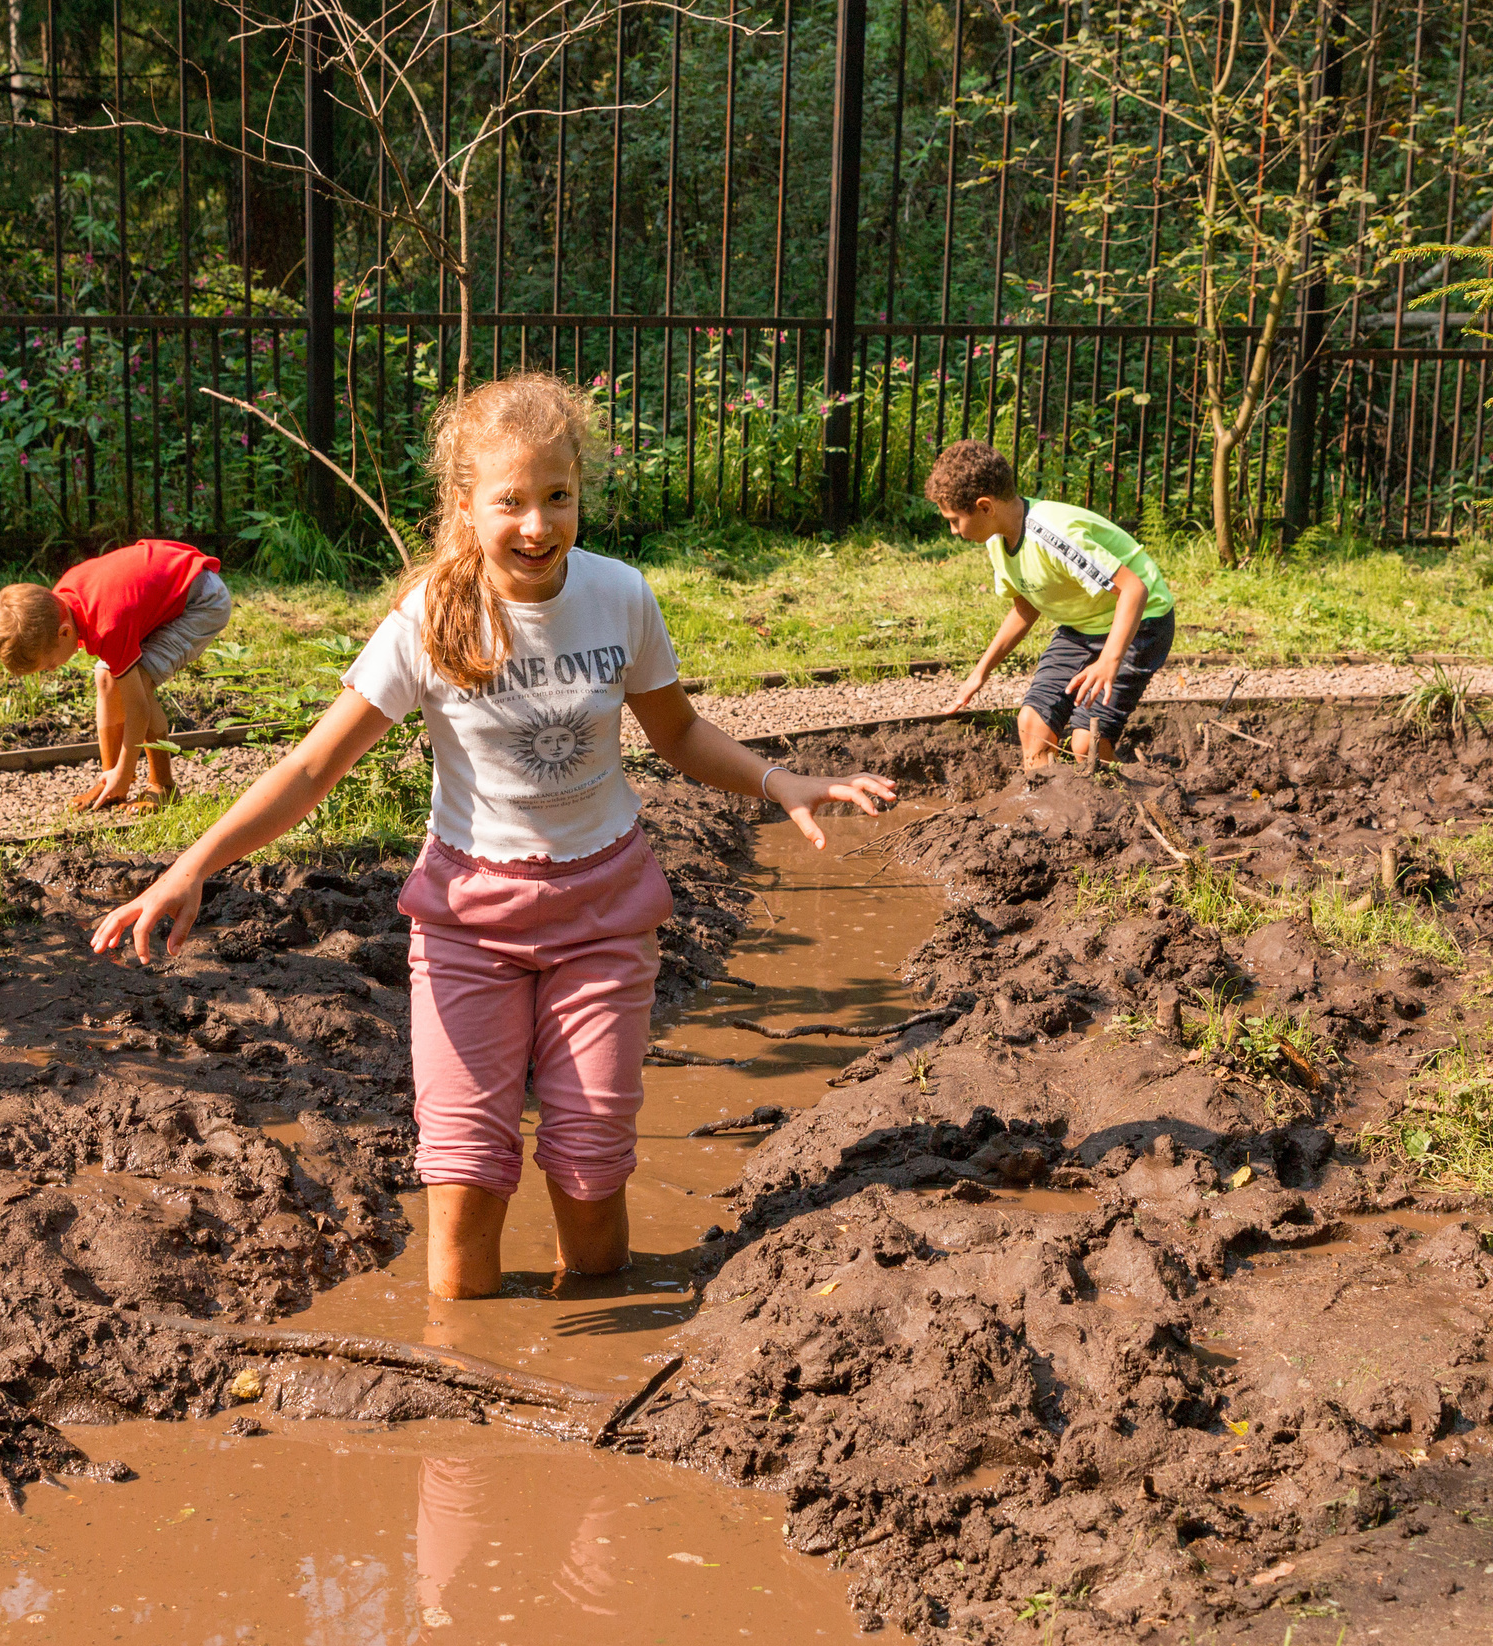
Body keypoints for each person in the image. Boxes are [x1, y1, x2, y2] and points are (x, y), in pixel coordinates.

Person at [91, 372, 895, 1299]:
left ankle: (596, 1336)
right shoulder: (430, 617)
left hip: (604, 912)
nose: (538, 526)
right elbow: (313, 768)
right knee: (466, 1171)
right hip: (470, 921)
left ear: (580, 491)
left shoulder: (621, 596)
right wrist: (190, 865)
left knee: (591, 1167)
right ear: (464, 503)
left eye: (559, 497)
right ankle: (464, 1365)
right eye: (509, 501)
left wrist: (779, 778)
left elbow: (675, 732)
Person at [931, 439, 1178, 770]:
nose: (953, 531)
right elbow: (1026, 606)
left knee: (1086, 742)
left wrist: (1109, 661)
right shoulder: (998, 541)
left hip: (1141, 622)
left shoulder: (1053, 535)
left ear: (986, 507)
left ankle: (1128, 803)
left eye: (954, 520)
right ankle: (1046, 814)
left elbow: (1134, 590)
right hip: (1083, 626)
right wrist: (981, 672)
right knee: (1032, 726)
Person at [0, 538, 235, 810]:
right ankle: (110, 782)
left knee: (140, 679)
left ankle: (163, 785)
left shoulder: (107, 626)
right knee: (106, 678)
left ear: (65, 632)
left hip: (201, 601)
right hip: (164, 592)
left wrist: (126, 774)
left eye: (49, 665)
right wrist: (117, 776)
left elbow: (138, 709)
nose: (52, 669)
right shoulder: (57, 603)